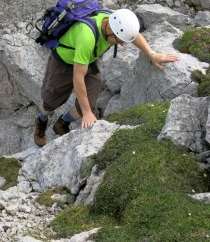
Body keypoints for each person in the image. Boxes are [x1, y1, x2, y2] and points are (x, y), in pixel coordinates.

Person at [34, 8, 180, 146]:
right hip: (64, 62)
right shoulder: (87, 36)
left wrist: (151, 54)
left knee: (88, 101)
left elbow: (133, 35)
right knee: (50, 102)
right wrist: (87, 113)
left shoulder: (116, 19)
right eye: (118, 40)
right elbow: (78, 78)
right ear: (109, 28)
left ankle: (62, 123)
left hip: (87, 60)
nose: (122, 44)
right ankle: (42, 119)